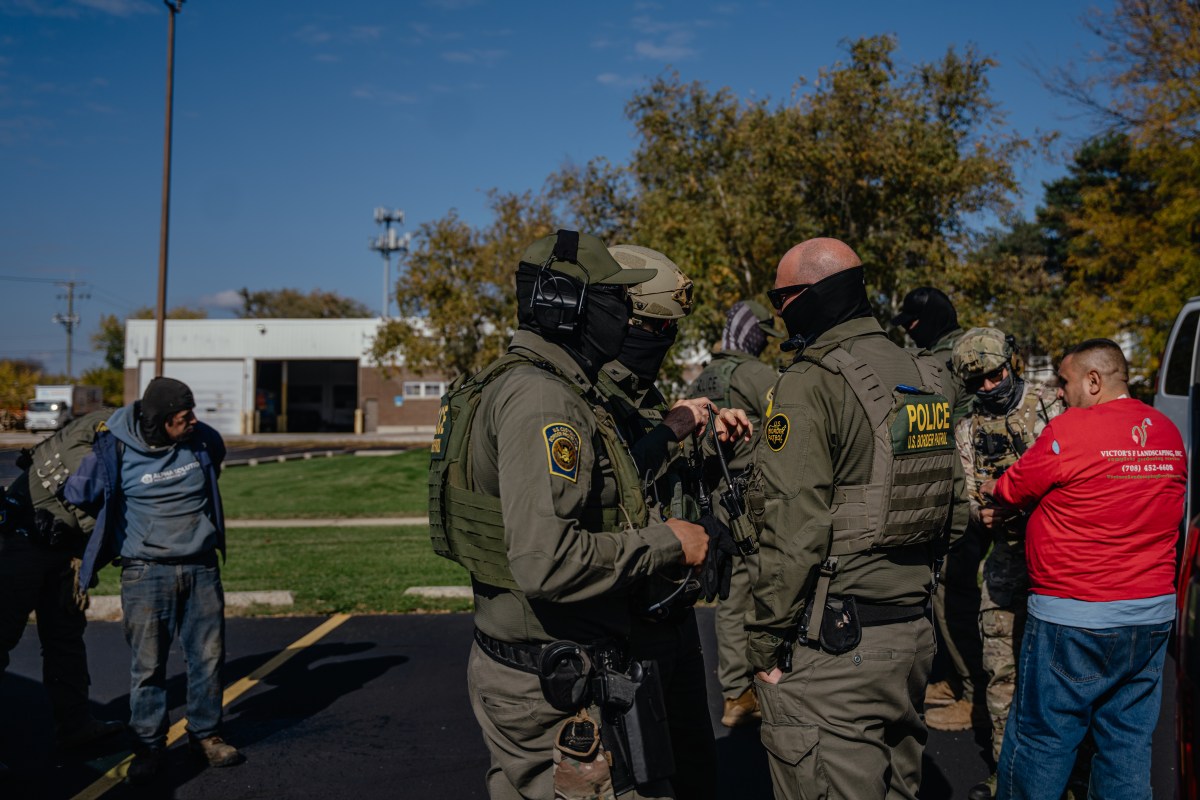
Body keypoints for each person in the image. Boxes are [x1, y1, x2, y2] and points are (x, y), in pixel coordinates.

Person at [430, 229, 744, 800]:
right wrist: (669, 542)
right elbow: (546, 561)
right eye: (616, 304)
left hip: (537, 663)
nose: (626, 321)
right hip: (556, 676)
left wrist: (673, 430)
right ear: (572, 307)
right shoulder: (544, 398)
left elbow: (605, 482)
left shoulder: (524, 383)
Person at [745, 238, 966, 800]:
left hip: (836, 646)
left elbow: (794, 531)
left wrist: (765, 646)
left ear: (811, 295)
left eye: (781, 297)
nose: (777, 311)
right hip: (912, 635)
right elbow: (954, 510)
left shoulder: (810, 381)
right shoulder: (930, 375)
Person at [985, 339, 1185, 800]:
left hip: (1074, 616)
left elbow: (1010, 489)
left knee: (1042, 739)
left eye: (1064, 381)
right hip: (1150, 616)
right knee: (1127, 744)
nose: (1058, 392)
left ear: (1093, 381)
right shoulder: (1167, 432)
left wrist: (994, 487)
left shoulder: (1069, 431)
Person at [595, 243, 733, 800]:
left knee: (696, 760)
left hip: (672, 612)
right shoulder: (585, 393)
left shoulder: (639, 390)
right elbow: (611, 475)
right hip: (627, 626)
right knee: (644, 776)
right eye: (652, 325)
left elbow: (657, 478)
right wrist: (670, 430)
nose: (661, 339)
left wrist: (704, 432)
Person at [64, 377, 242, 783]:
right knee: (148, 666)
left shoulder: (201, 440)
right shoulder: (114, 448)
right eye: (184, 417)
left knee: (209, 658)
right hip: (145, 572)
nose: (194, 421)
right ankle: (147, 747)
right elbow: (78, 492)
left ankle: (206, 735)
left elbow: (216, 458)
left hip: (201, 566)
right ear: (161, 421)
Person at [939, 328, 1061, 799]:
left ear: (1011, 363)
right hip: (1008, 558)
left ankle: (1069, 775)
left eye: (995, 375)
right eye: (978, 382)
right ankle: (1007, 772)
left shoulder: (1052, 405)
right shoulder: (968, 427)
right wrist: (984, 511)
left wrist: (1022, 502)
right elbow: (969, 494)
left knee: (1059, 676)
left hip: (1059, 557)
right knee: (1001, 672)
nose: (988, 387)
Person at [0, 414, 125, 770]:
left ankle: (76, 726)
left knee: (66, 641)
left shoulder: (124, 438)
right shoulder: (100, 429)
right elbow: (88, 495)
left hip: (63, 552)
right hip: (21, 545)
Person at [686, 300, 779, 727]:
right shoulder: (757, 376)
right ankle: (766, 685)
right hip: (757, 503)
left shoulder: (705, 376)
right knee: (768, 592)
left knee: (730, 596)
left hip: (717, 500)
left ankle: (735, 695)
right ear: (755, 335)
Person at [893, 287, 985, 718]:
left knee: (954, 591)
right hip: (984, 488)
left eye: (912, 325)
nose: (910, 335)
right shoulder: (972, 343)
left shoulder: (939, 360)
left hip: (962, 491)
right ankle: (957, 678)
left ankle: (973, 694)